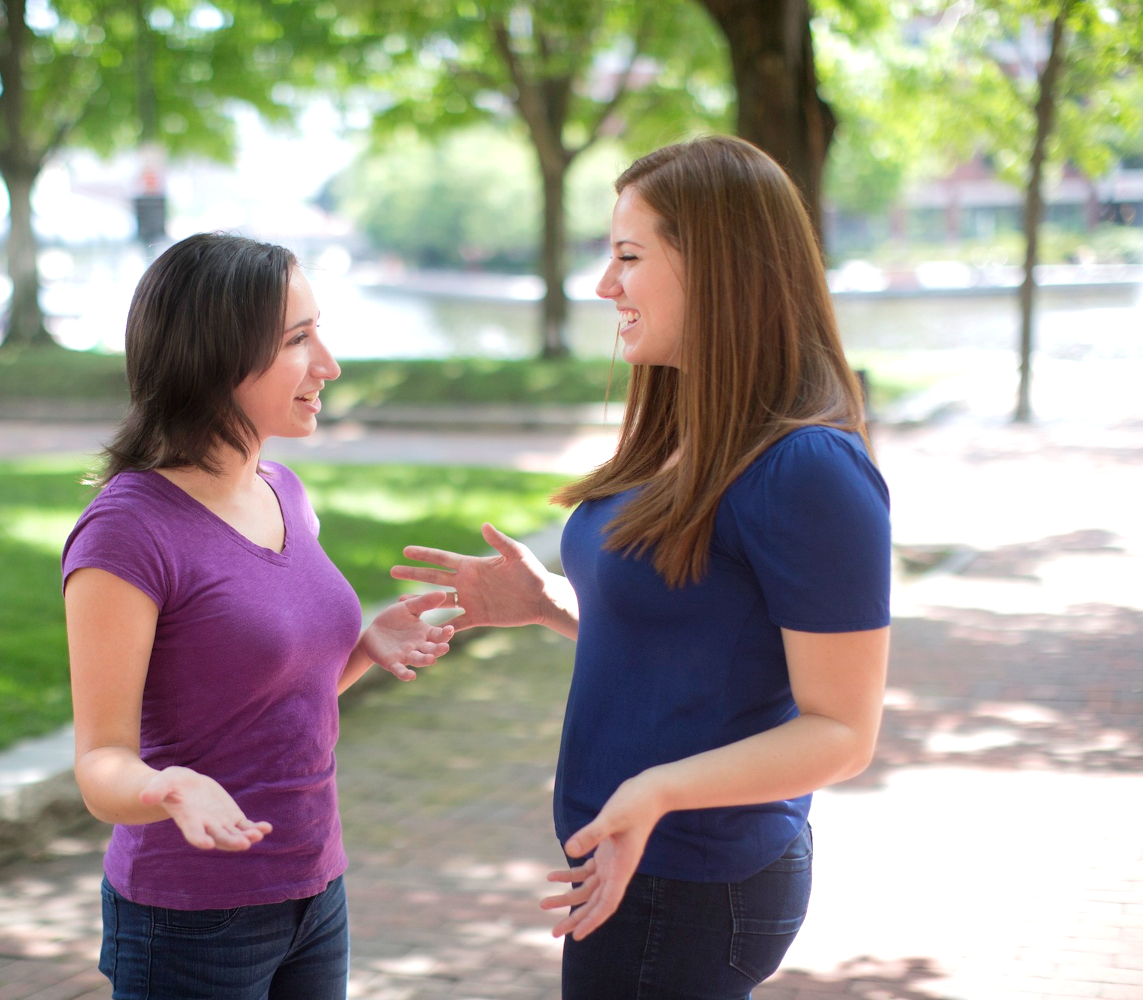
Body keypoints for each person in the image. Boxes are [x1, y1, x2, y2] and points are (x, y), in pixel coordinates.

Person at [392, 135, 891, 999]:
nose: (603, 286)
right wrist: (549, 602)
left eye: (629, 256)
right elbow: (705, 637)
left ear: (724, 270)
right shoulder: (688, 426)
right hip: (643, 862)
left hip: (693, 882)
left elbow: (843, 733)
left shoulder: (806, 469)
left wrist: (658, 790)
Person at [62, 232, 456, 1000]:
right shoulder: (127, 531)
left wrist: (363, 647)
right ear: (218, 358)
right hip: (190, 919)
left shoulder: (283, 491)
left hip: (315, 889)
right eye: (299, 340)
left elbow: (259, 706)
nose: (329, 365)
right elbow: (100, 763)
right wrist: (166, 788)